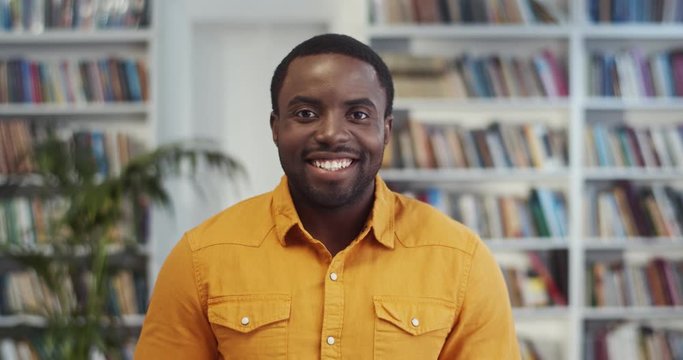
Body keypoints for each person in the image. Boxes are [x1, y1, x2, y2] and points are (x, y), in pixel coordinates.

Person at [135, 33, 520, 359]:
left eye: (358, 115)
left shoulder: (461, 261)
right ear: (276, 127)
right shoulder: (201, 258)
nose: (332, 134)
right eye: (305, 114)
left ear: (386, 130)